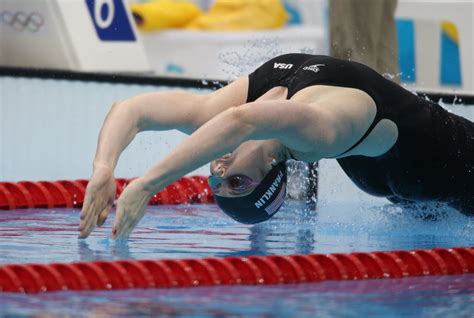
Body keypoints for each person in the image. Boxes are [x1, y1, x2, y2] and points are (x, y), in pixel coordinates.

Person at [78, 53, 473, 240]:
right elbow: (240, 124)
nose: (217, 174)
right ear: (268, 172)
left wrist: (104, 167)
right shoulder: (314, 135)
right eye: (235, 184)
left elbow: (131, 110)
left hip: (415, 168)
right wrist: (146, 184)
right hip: (456, 168)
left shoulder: (256, 97)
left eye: (216, 182)